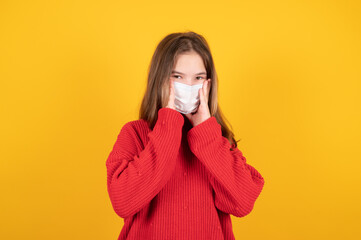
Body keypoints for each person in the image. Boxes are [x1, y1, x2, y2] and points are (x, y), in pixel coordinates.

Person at [105, 31, 265, 240]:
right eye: (177, 77)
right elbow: (123, 202)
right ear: (160, 80)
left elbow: (242, 203)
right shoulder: (135, 133)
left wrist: (206, 132)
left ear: (208, 84)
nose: (189, 86)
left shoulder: (217, 139)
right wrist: (168, 126)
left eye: (198, 78)